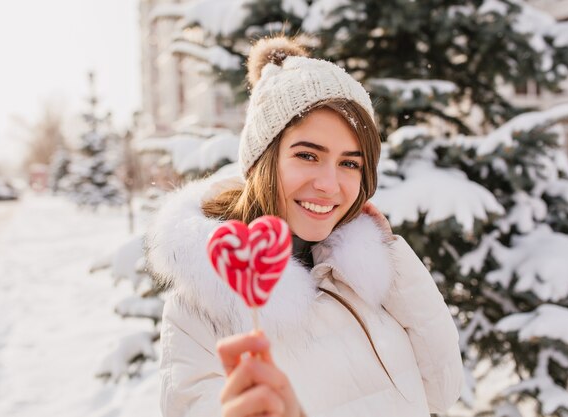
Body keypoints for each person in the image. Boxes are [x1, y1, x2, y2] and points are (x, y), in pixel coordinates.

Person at [146, 36, 464, 417]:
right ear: (264, 160)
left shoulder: (363, 272)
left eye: (350, 163)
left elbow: (443, 392)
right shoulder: (200, 307)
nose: (329, 185)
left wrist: (391, 255)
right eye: (308, 155)